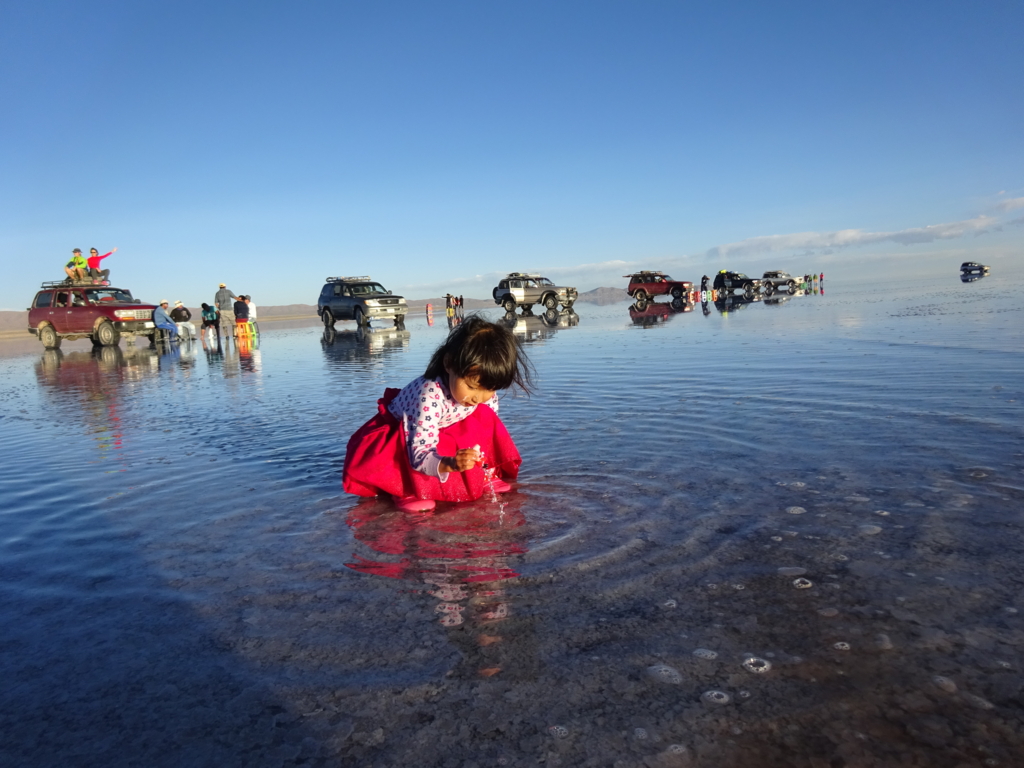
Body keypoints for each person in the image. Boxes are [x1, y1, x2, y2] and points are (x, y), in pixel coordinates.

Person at [343, 316, 531, 513]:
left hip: (446, 426)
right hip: (404, 437)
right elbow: (419, 452)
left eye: (490, 389)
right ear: (449, 364)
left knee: (484, 418)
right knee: (407, 451)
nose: (478, 397)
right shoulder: (430, 395)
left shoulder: (484, 395)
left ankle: (483, 477)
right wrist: (450, 463)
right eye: (471, 386)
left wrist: (480, 465)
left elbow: (487, 436)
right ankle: (407, 489)